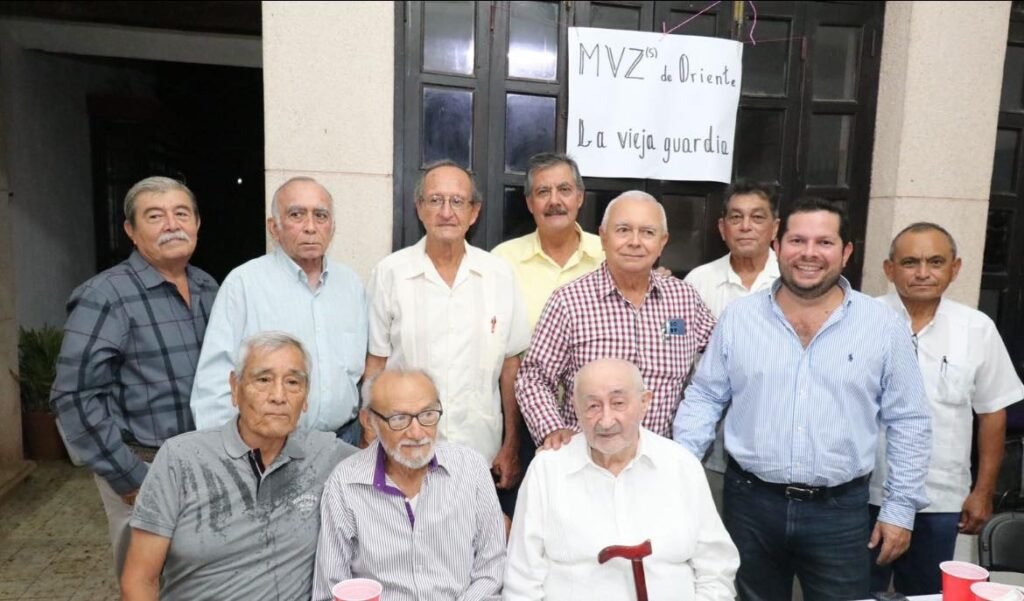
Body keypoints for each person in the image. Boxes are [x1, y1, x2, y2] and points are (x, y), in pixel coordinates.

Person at [673, 197, 932, 601]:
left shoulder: (882, 327)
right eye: (797, 240)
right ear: (777, 247)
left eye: (824, 242)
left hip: (840, 512)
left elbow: (910, 421)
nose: (809, 253)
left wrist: (900, 509)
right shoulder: (740, 319)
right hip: (750, 506)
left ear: (846, 252)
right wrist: (679, 478)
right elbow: (704, 397)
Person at [49, 176, 218, 577]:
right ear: (130, 230)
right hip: (143, 465)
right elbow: (73, 396)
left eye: (181, 213)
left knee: (198, 581)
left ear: (197, 223)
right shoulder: (105, 295)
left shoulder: (208, 286)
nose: (172, 225)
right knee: (146, 581)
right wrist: (127, 477)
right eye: (155, 216)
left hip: (203, 464)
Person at [121, 332, 355, 601]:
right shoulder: (180, 458)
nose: (279, 396)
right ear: (235, 388)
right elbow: (139, 579)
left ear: (306, 397)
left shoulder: (326, 453)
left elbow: (398, 463)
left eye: (293, 382)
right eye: (263, 379)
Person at [364, 160, 530, 509]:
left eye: (458, 202)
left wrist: (512, 443)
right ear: (419, 208)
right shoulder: (390, 273)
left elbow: (510, 366)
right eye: (435, 200)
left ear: (474, 212)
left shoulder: (499, 275)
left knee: (472, 554)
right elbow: (376, 364)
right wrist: (370, 436)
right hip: (404, 450)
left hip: (479, 451)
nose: (446, 212)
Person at [869, 222, 1024, 594]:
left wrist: (983, 490)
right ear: (890, 269)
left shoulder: (977, 328)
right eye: (910, 262)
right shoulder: (863, 319)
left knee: (928, 593)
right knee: (857, 592)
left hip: (940, 498)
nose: (923, 273)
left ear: (955, 268)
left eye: (935, 261)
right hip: (866, 495)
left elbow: (992, 412)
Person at [504, 358, 738, 600]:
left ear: (644, 403)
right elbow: (522, 580)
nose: (606, 421)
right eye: (593, 406)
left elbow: (716, 570)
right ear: (575, 407)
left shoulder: (681, 466)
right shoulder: (547, 470)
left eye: (618, 403)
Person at [516, 191, 715, 450]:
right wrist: (552, 429)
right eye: (623, 230)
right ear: (603, 237)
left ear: (663, 242)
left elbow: (723, 361)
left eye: (647, 232)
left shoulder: (685, 299)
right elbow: (534, 377)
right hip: (587, 461)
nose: (635, 242)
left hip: (661, 464)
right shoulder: (570, 301)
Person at [191, 176, 367, 444]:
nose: (310, 227)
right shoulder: (244, 283)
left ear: (332, 227)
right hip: (270, 446)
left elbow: (355, 373)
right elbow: (215, 382)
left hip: (343, 441)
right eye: (297, 214)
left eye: (320, 216)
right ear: (274, 227)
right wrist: (228, 456)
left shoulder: (351, 285)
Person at [312, 369, 505, 601]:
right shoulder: (345, 483)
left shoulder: (471, 469)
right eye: (399, 419)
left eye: (427, 415)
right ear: (369, 421)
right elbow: (331, 589)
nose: (416, 432)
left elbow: (491, 571)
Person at [683, 180, 780, 510]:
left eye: (757, 217)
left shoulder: (791, 281)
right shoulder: (698, 281)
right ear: (722, 228)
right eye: (736, 218)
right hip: (712, 437)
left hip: (774, 440)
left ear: (775, 227)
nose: (746, 227)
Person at [492, 152, 604, 329]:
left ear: (580, 197)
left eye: (564, 190)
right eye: (543, 192)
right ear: (530, 203)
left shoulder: (608, 255)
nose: (554, 201)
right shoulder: (503, 259)